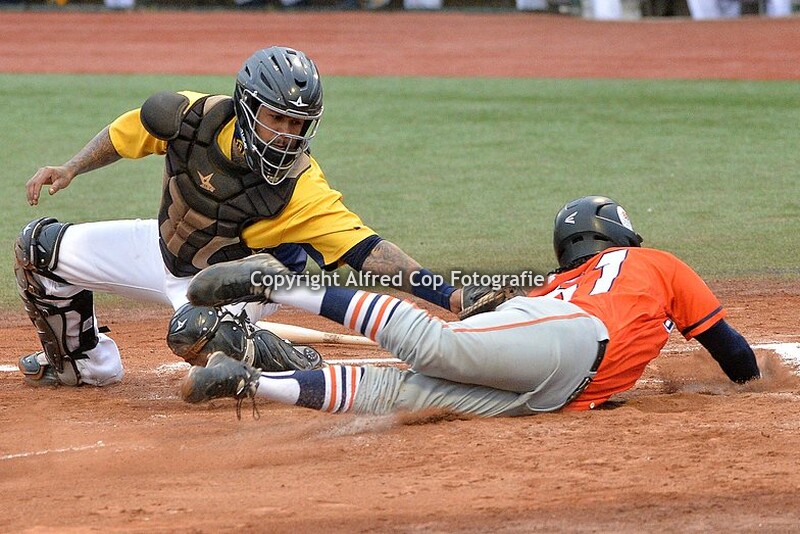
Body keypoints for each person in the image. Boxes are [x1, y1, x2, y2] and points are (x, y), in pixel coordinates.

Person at [15, 46, 464, 389]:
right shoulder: (190, 119)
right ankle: (83, 367)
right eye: (278, 120)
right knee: (36, 248)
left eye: (299, 125)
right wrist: (71, 166)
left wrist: (449, 296)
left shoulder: (300, 187)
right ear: (247, 107)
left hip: (237, 282)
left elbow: (369, 251)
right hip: (162, 251)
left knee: (191, 330)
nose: (288, 137)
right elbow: (126, 133)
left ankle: (293, 362)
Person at [180, 195, 760, 418]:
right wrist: (754, 382)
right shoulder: (657, 263)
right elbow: (731, 351)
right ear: (616, 234)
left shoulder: (545, 289)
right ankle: (277, 286)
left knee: (410, 395)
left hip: (557, 391)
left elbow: (501, 333)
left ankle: (253, 384)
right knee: (439, 347)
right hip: (577, 341)